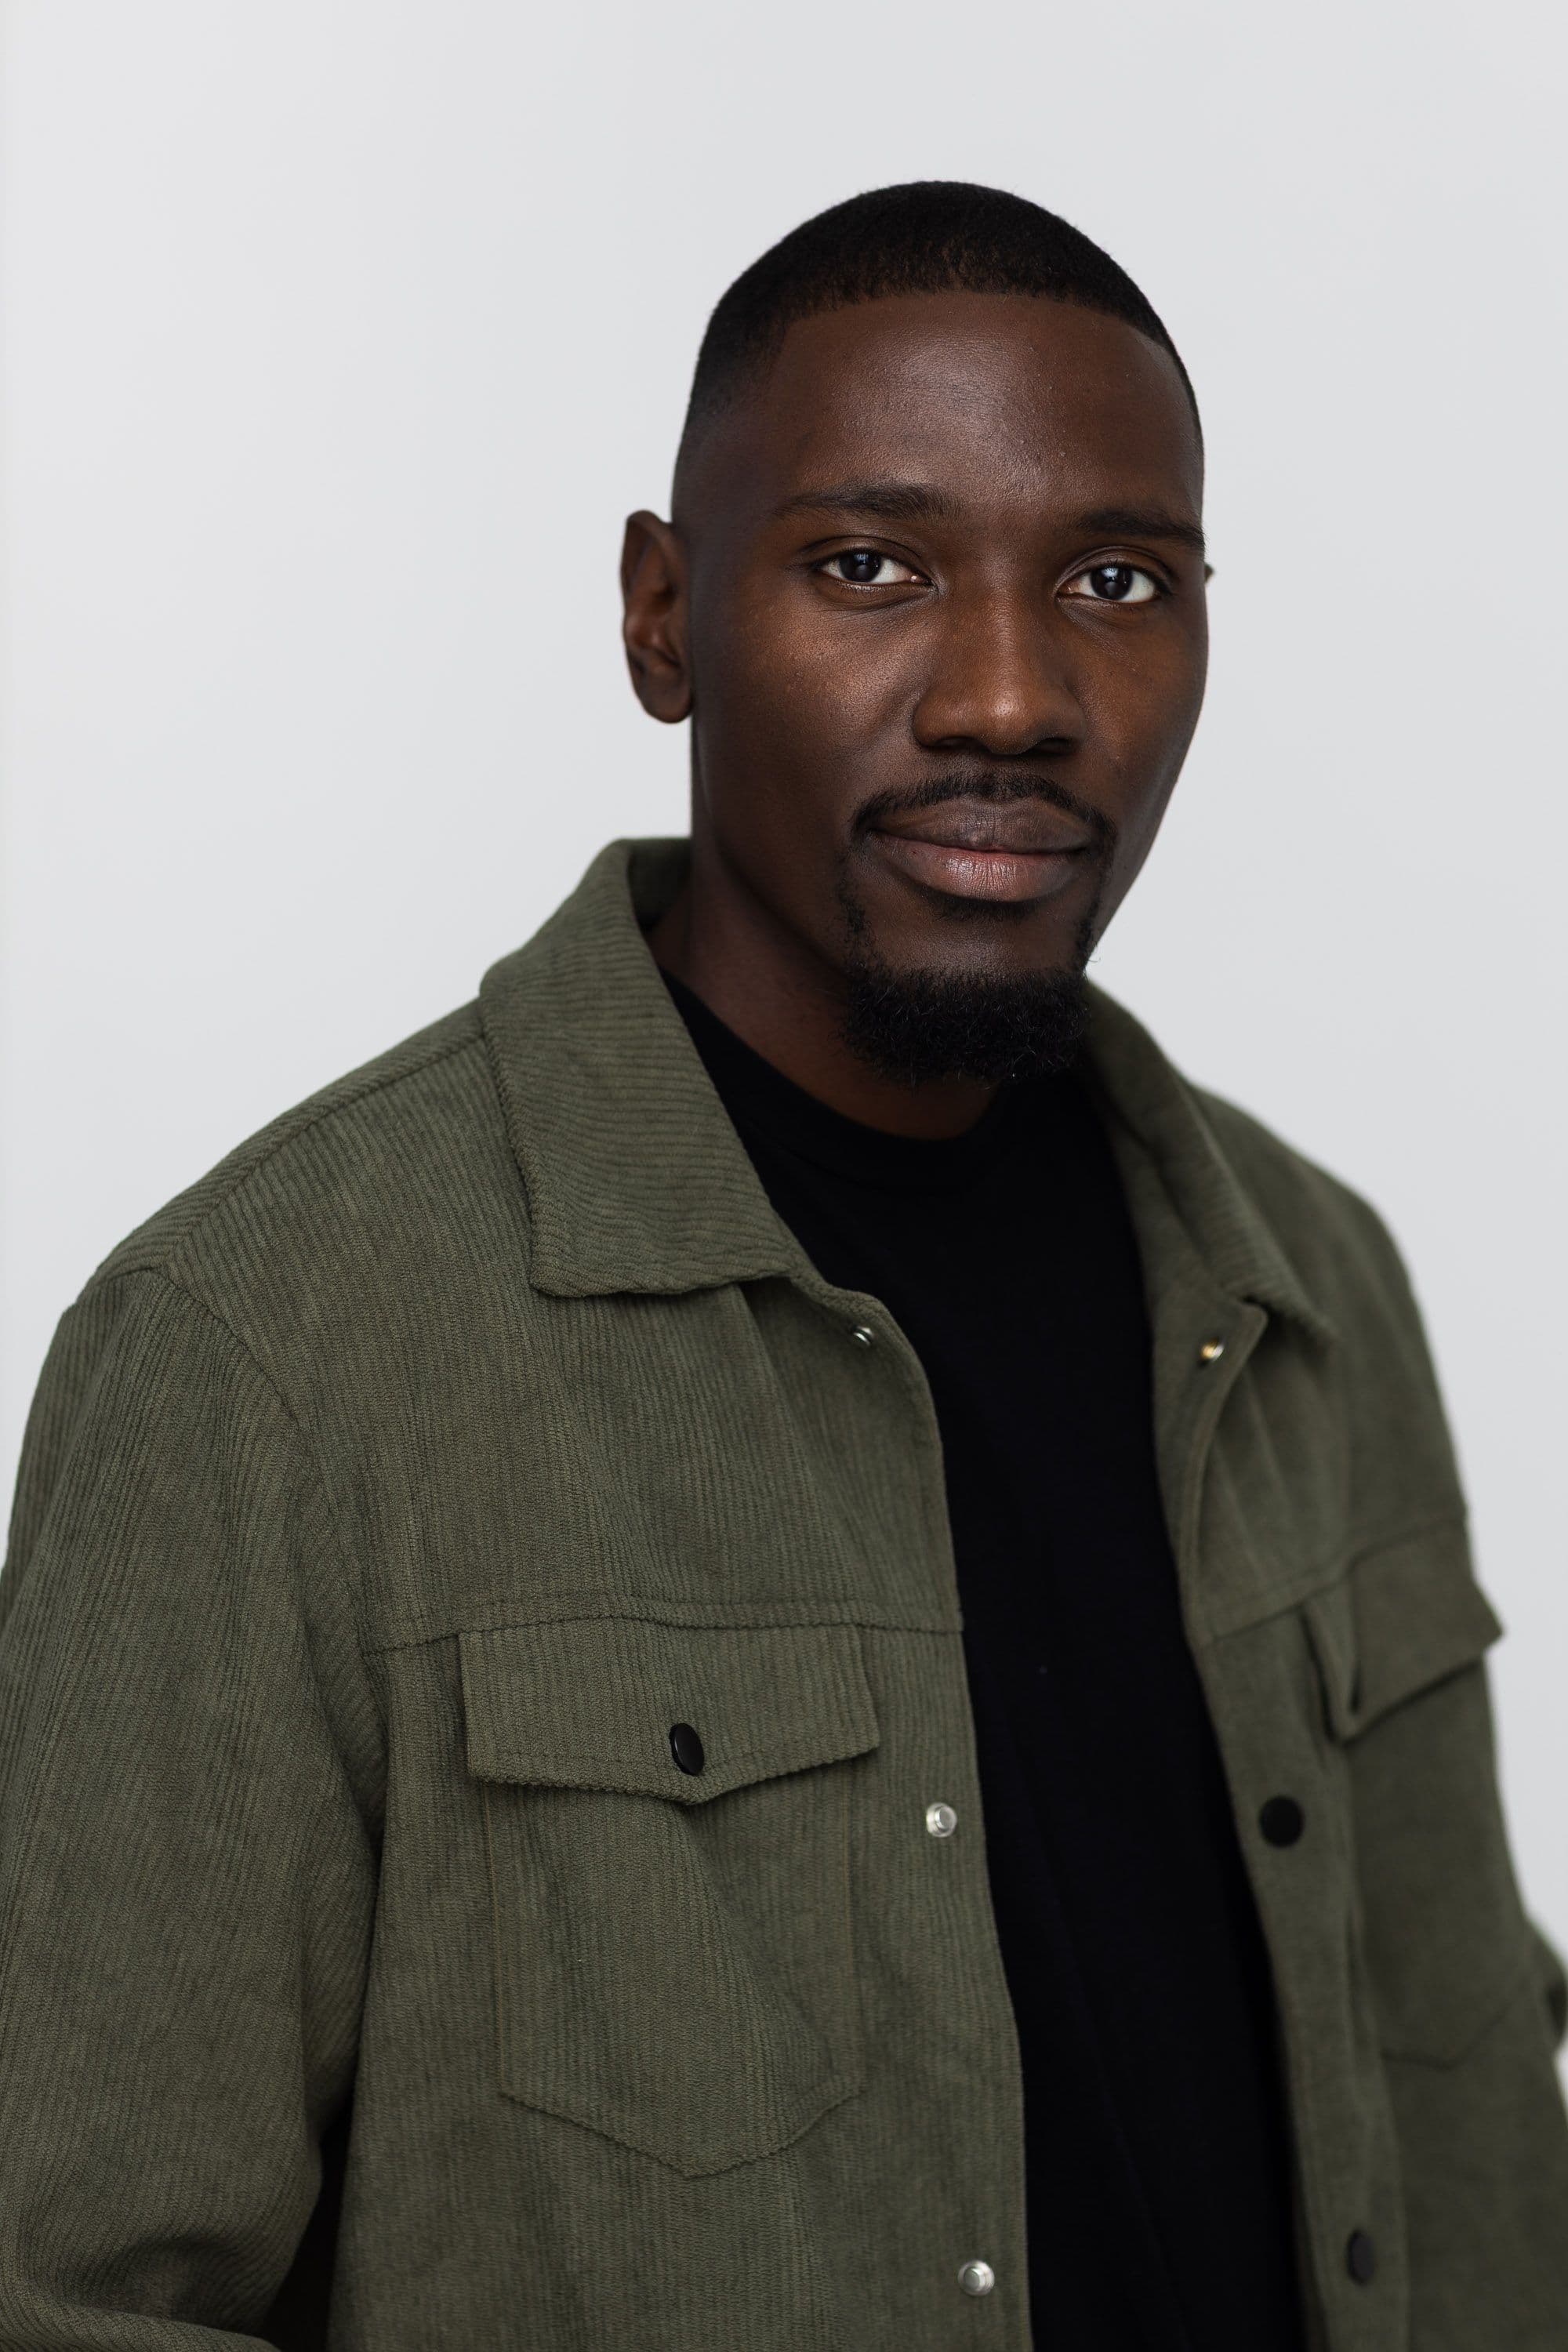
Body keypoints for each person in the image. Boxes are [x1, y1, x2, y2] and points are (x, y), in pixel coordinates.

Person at [1, 180, 1563, 2352]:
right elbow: (70, 2291)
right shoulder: (264, 1355)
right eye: (871, 566)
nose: (1011, 696)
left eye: (1117, 579)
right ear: (664, 619)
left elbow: (1475, 2172)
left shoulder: (1309, 1285)